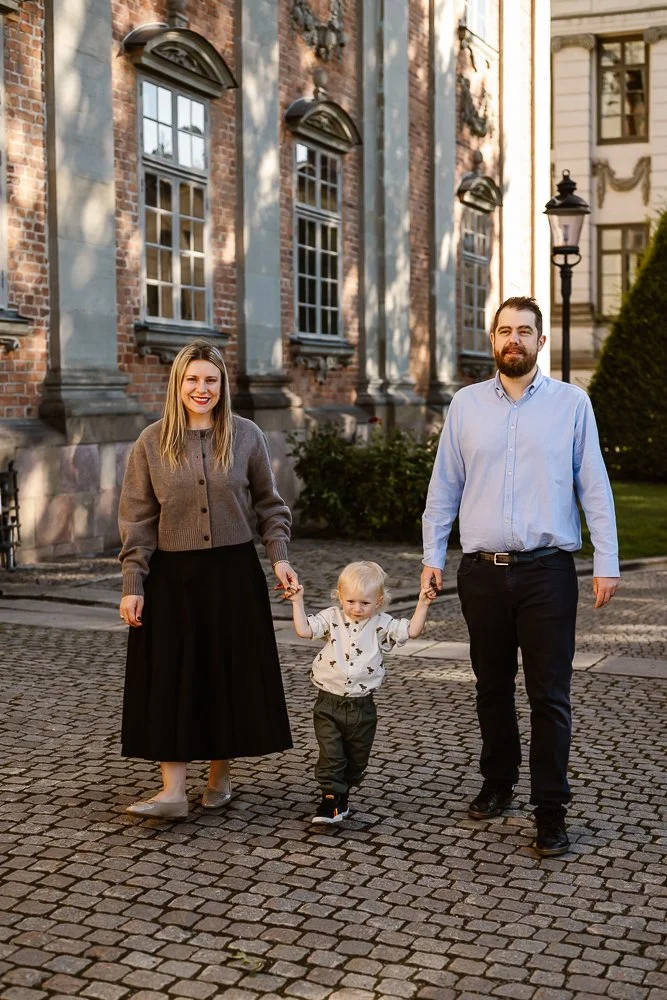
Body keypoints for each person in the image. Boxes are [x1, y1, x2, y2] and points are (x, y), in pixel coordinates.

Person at [421, 296, 619, 857]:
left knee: (549, 695)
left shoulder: (571, 404)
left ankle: (551, 809)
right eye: (505, 330)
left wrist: (607, 559)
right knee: (490, 688)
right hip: (481, 574)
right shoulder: (465, 405)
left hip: (548, 574)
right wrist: (432, 556)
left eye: (525, 331)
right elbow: (444, 488)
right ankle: (498, 782)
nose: (514, 340)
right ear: (493, 340)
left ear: (540, 342)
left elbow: (594, 487)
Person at [118, 339, 298, 819]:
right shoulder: (151, 442)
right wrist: (134, 583)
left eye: (211, 380)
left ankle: (220, 776)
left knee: (228, 673)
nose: (202, 389)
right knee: (170, 678)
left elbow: (270, 505)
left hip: (233, 572)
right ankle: (172, 793)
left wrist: (278, 557)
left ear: (222, 386)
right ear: (177, 383)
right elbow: (137, 520)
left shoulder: (246, 436)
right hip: (171, 577)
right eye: (193, 379)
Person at [287, 561, 436, 824]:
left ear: (378, 602)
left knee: (356, 760)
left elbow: (411, 630)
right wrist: (297, 601)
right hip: (328, 704)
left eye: (365, 603)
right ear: (340, 596)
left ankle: (343, 794)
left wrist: (422, 604)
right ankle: (330, 800)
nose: (357, 608)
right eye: (351, 601)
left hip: (362, 708)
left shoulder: (382, 624)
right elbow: (304, 630)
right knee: (331, 755)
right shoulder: (332, 618)